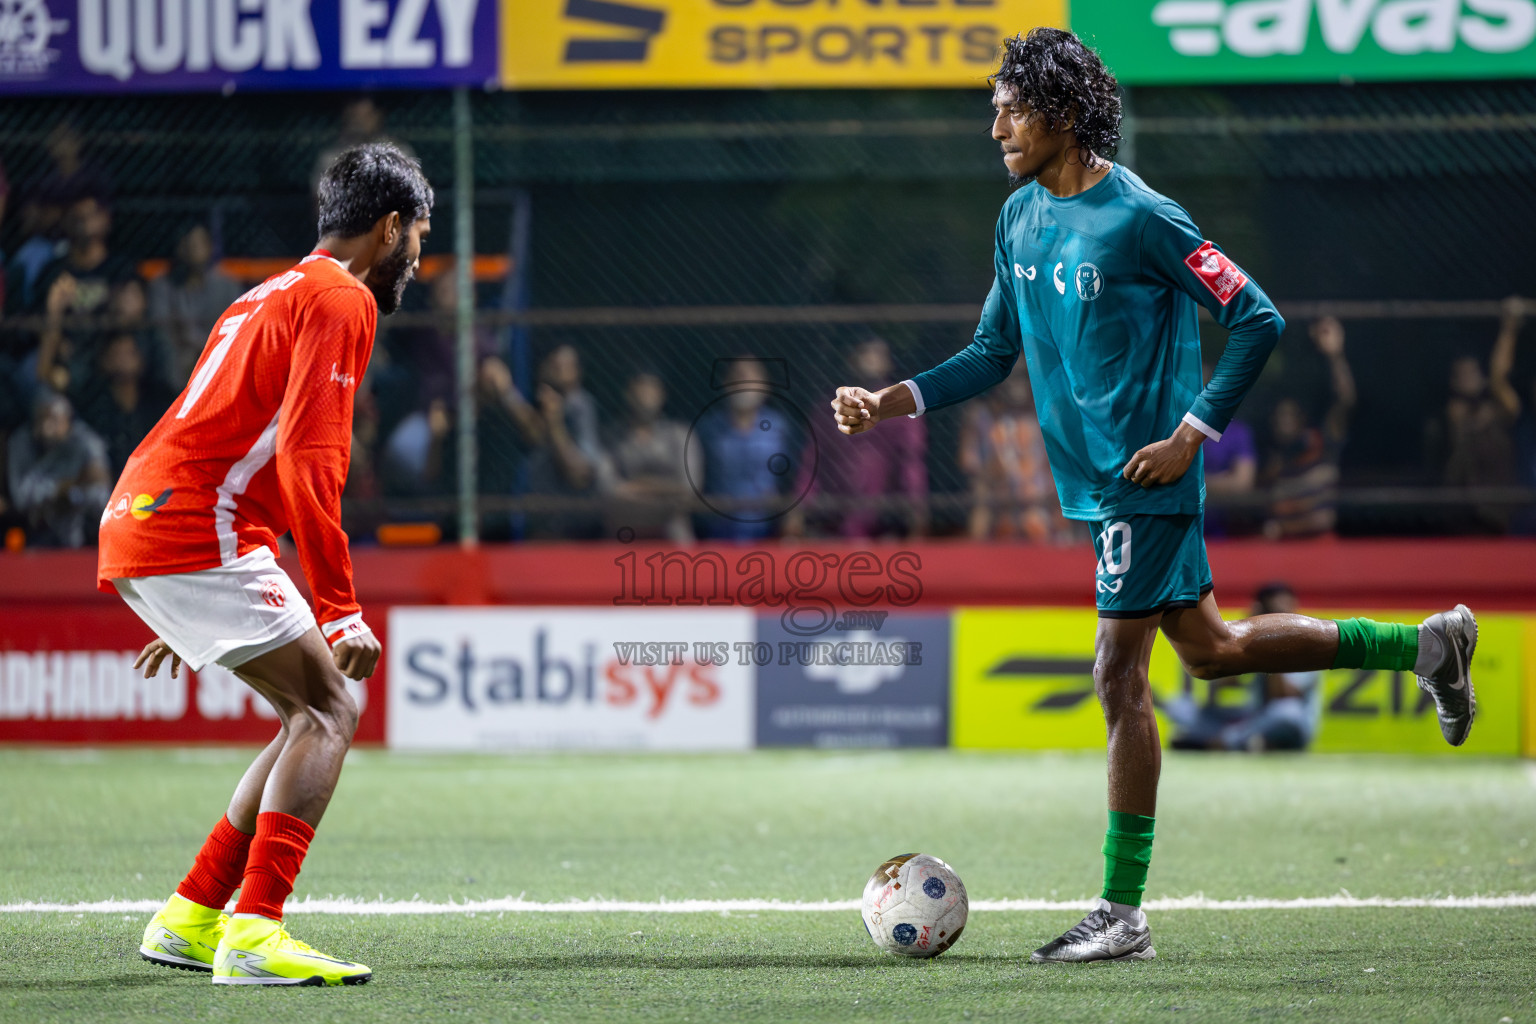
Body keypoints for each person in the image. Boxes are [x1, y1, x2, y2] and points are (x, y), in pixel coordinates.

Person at [825, 28, 1477, 965]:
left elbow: (1257, 317)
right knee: (1212, 652)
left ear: (1061, 114)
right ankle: (1429, 645)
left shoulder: (1142, 217)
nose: (996, 128)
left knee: (1116, 674)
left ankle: (1121, 913)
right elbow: (992, 354)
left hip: (1146, 478)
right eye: (995, 112)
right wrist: (889, 401)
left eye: (1011, 110)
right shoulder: (1018, 218)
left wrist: (1190, 435)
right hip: (1095, 486)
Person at [100, 143, 432, 986]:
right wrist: (340, 609)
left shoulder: (266, 293)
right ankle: (254, 932)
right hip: (196, 528)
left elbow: (225, 432)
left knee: (302, 714)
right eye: (418, 241)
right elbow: (310, 460)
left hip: (157, 517)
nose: (417, 263)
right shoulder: (343, 298)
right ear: (389, 227)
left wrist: (184, 593)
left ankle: (192, 917)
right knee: (331, 708)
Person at [788, 336, 927, 540]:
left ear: (887, 363)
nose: (870, 359)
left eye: (877, 354)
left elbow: (910, 462)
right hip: (833, 519)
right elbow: (811, 463)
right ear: (850, 359)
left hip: (884, 520)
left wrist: (915, 509)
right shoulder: (827, 409)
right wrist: (799, 508)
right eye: (865, 352)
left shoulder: (901, 409)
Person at [1165, 583, 1323, 751]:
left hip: (1287, 721)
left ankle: (1224, 742)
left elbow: (1283, 694)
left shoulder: (1306, 641)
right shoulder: (1253, 638)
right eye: (1272, 612)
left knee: (1287, 711)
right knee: (1182, 708)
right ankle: (1251, 742)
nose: (1280, 618)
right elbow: (1221, 682)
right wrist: (1246, 634)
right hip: (1254, 717)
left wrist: (1273, 643)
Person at [1425, 298, 1522, 532]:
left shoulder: (1499, 412)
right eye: (1461, 375)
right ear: (1453, 381)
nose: (1467, 379)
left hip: (1497, 517)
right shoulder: (1448, 417)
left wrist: (1509, 329)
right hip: (1460, 518)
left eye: (1471, 373)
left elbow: (1499, 379)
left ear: (1482, 378)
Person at [1258, 317, 1355, 539]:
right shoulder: (1273, 461)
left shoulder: (1321, 442)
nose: (1283, 421)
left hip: (1320, 544)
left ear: (1301, 419)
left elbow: (1345, 400)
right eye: (1279, 416)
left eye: (1289, 415)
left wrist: (1335, 356)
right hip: (1282, 548)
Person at [958, 361, 1064, 542]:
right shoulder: (981, 416)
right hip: (999, 491)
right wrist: (990, 476)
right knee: (984, 500)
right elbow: (968, 460)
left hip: (1040, 494)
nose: (1016, 384)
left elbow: (1057, 461)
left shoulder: (1046, 414)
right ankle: (979, 551)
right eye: (1011, 377)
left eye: (1022, 376)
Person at [603, 369, 698, 543]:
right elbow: (609, 489)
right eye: (641, 388)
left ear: (662, 395)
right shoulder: (611, 438)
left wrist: (637, 485)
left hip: (672, 532)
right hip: (624, 531)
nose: (646, 395)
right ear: (628, 394)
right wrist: (666, 490)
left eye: (652, 389)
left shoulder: (680, 435)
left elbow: (689, 488)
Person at [7, 389, 110, 547]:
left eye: (54, 420)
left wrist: (73, 491)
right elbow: (20, 497)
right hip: (36, 530)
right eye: (42, 419)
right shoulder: (22, 443)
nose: (47, 428)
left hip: (83, 527)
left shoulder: (86, 442)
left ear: (68, 421)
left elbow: (101, 489)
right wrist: (59, 489)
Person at [147, 224, 244, 389]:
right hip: (179, 357)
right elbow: (161, 329)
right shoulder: (161, 285)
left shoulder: (227, 285)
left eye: (198, 243)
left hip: (218, 355)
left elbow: (238, 328)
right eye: (187, 243)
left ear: (210, 246)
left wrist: (205, 349)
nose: (193, 249)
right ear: (178, 247)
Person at [76, 331, 173, 474]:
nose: (123, 360)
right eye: (117, 354)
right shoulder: (92, 405)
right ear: (104, 360)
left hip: (154, 476)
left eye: (130, 353)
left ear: (141, 358)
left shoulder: (160, 401)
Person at [1199, 359, 1257, 537]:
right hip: (1180, 534)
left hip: (1226, 536)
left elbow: (1242, 483)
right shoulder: (1170, 431)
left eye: (1206, 384)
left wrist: (1194, 481)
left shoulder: (1238, 432)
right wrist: (1221, 481)